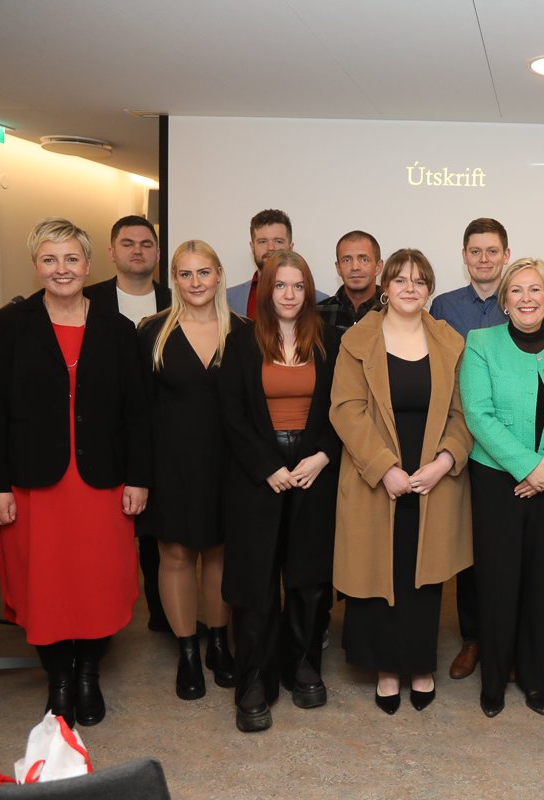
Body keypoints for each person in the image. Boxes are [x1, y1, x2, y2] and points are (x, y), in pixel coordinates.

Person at [0, 217, 151, 728]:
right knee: (45, 586)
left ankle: (88, 672)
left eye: (71, 258)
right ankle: (59, 681)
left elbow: (138, 413)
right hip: (34, 483)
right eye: (50, 259)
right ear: (36, 265)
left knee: (99, 582)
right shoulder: (11, 325)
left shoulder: (118, 329)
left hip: (102, 481)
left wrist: (139, 477)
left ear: (89, 264)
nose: (62, 269)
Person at [331, 249, 473, 715]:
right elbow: (346, 410)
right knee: (379, 568)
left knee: (422, 575)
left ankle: (420, 664)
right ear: (385, 287)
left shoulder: (450, 341)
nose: (410, 288)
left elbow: (463, 413)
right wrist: (384, 468)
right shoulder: (357, 340)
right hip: (375, 474)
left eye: (420, 281)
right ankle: (387, 669)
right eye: (400, 280)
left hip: (432, 475)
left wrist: (444, 462)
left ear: (429, 290)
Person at [218, 250, 342, 732]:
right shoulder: (241, 341)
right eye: (280, 286)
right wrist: (267, 465)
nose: (289, 295)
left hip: (314, 468)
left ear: (308, 291)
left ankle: (303, 665)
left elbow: (344, 406)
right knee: (256, 579)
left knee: (309, 578)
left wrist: (323, 455)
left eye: (298, 286)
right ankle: (255, 678)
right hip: (257, 473)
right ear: (266, 290)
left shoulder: (330, 340)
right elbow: (231, 412)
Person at [460, 257, 544, 718]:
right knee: (498, 581)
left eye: (536, 290)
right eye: (516, 290)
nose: (526, 298)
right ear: (504, 300)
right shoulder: (481, 343)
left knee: (541, 580)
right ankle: (493, 681)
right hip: (497, 481)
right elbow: (478, 414)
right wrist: (527, 467)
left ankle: (535, 679)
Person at [137, 240, 245, 699]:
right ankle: (187, 653)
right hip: (170, 464)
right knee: (176, 554)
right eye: (185, 274)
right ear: (174, 279)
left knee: (220, 553)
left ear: (218, 275)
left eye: (204, 272)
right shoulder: (152, 332)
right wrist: (139, 474)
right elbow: (137, 410)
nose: (196, 282)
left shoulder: (242, 331)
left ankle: (219, 645)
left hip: (229, 463)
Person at [429, 217, 511, 682]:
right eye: (475, 251)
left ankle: (508, 636)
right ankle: (474, 637)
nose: (484, 259)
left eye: (492, 250)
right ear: (464, 257)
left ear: (505, 254)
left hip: (509, 441)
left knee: (507, 546)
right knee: (469, 546)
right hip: (459, 440)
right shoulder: (443, 307)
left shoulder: (520, 300)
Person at [82, 214, 171, 635]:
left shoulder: (178, 298)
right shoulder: (87, 300)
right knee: (106, 532)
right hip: (104, 435)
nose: (138, 250)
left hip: (164, 430)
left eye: (146, 244)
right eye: (128, 243)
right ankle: (98, 616)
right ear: (111, 252)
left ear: (158, 253)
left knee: (157, 532)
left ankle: (163, 614)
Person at [225, 209, 326, 316]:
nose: (271, 248)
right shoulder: (227, 298)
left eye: (278, 241)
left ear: (290, 247)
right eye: (263, 242)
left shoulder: (320, 301)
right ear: (252, 247)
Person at [319, 230, 384, 330]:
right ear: (338, 268)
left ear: (378, 267)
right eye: (347, 260)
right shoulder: (317, 314)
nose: (355, 267)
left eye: (364, 259)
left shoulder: (393, 311)